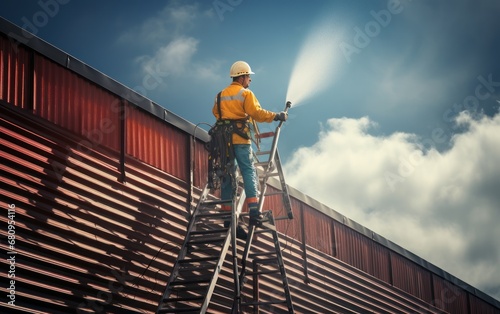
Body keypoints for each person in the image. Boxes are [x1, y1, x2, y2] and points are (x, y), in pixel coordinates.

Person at [212, 61, 288, 239]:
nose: (250, 80)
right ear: (242, 76)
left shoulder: (220, 95)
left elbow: (216, 113)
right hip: (240, 139)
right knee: (249, 171)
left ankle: (227, 219)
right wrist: (277, 116)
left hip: (224, 142)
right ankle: (254, 212)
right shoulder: (245, 93)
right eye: (249, 77)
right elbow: (257, 113)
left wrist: (230, 118)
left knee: (227, 174)